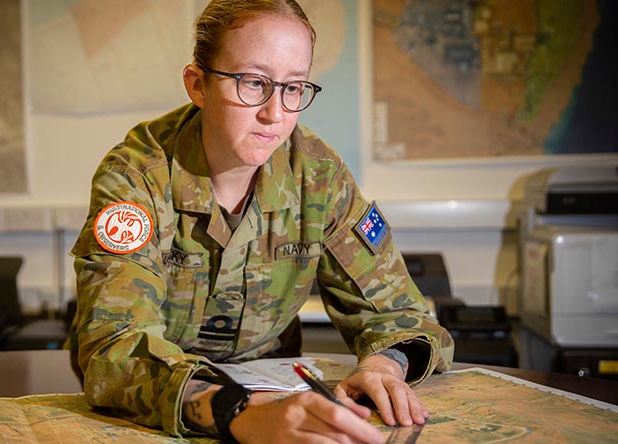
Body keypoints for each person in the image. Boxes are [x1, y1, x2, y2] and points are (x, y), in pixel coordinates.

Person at [67, 1, 454, 442]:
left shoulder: (318, 176)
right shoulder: (137, 176)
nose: (275, 113)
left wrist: (383, 365)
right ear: (198, 85)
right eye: (253, 83)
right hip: (157, 415)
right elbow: (114, 347)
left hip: (278, 399)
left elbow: (401, 314)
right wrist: (239, 412)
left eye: (293, 88)